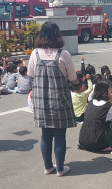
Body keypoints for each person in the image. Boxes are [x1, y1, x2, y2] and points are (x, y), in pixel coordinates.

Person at [27, 21, 77, 177]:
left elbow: (31, 75)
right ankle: (61, 169)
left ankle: (48, 167)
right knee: (60, 136)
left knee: (45, 135)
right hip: (60, 100)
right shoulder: (64, 54)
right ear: (57, 35)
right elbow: (72, 77)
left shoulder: (34, 54)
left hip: (41, 101)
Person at [78, 79, 112, 151]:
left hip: (83, 140)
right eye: (110, 88)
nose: (111, 89)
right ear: (105, 90)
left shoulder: (91, 102)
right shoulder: (108, 106)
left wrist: (110, 101)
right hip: (97, 143)